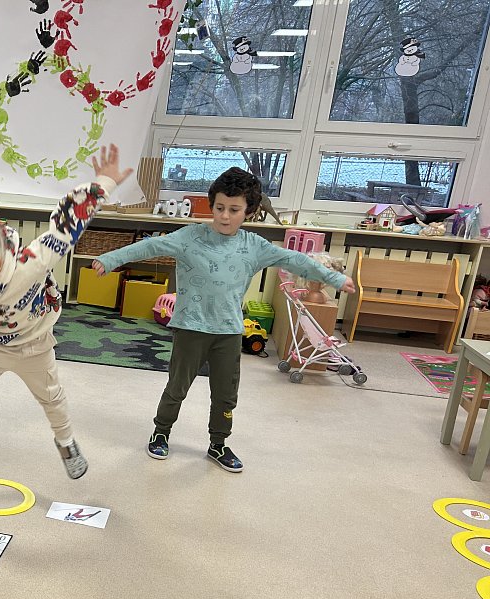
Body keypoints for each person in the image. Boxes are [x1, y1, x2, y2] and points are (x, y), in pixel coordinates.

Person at [92, 166, 356, 473]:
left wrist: (334, 278)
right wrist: (110, 259)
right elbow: (150, 246)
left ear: (249, 212)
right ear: (212, 205)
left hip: (228, 332)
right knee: (177, 387)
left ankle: (218, 443)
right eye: (219, 208)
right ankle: (161, 432)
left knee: (226, 394)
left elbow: (294, 259)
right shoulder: (190, 237)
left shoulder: (254, 246)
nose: (225, 216)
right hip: (190, 328)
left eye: (234, 210)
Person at [0, 145, 133, 498]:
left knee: (52, 398)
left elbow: (65, 228)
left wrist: (104, 183)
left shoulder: (29, 264)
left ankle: (66, 444)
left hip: (34, 343)